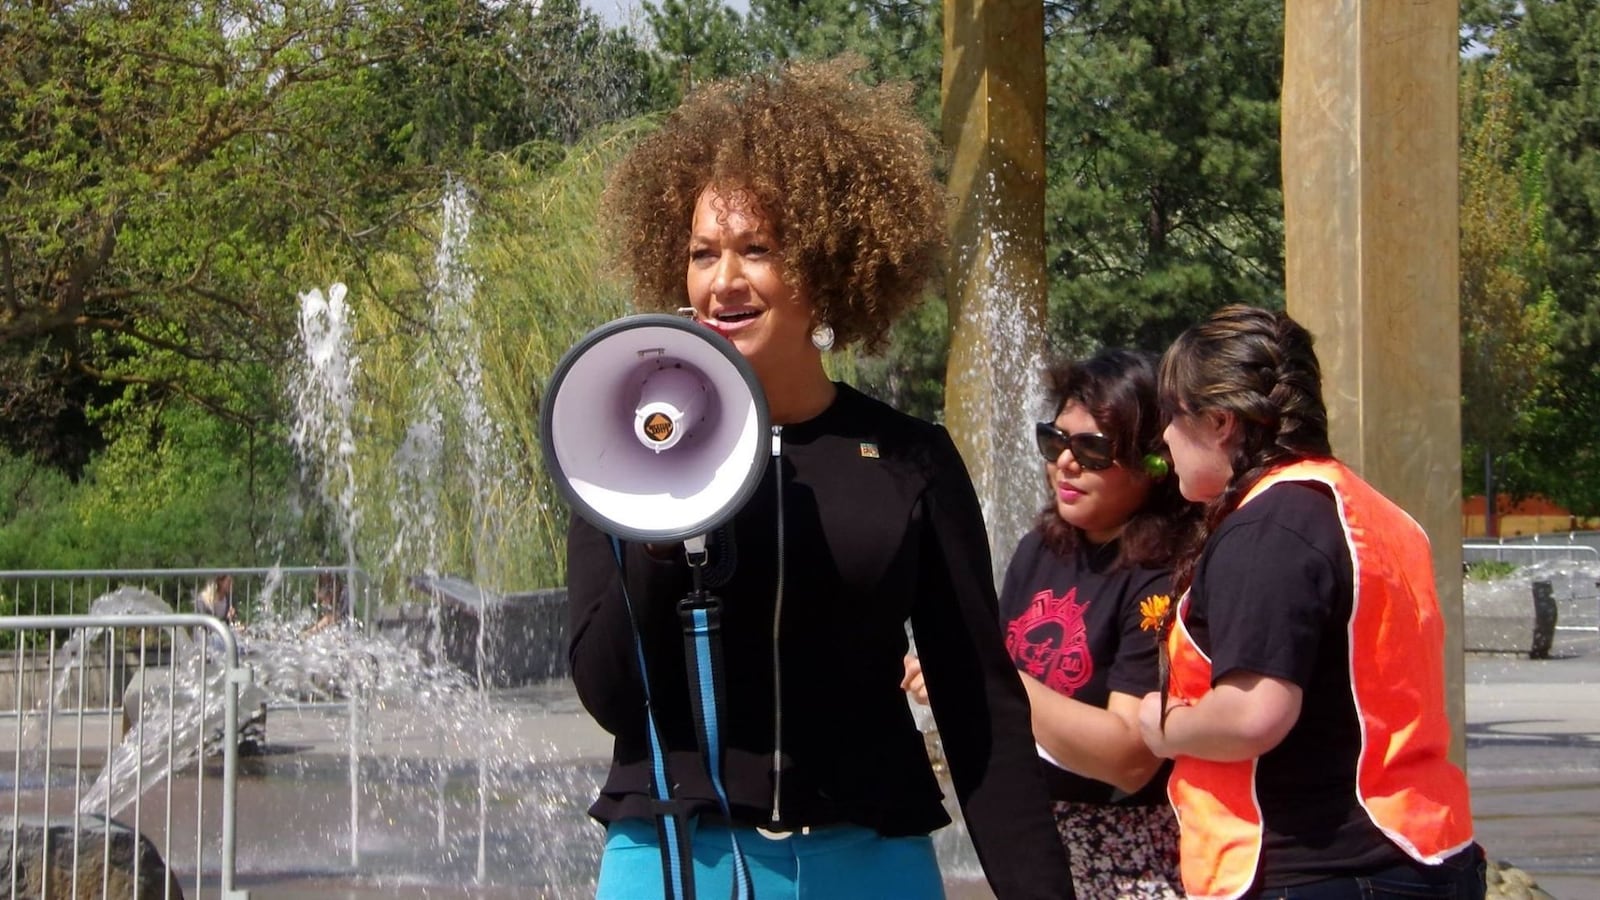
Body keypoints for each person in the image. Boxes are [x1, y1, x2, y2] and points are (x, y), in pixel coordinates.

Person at [565, 57, 1075, 900]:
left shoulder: (908, 457)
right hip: (670, 860)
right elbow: (612, 695)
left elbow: (979, 704)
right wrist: (659, 534)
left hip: (868, 858)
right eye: (702, 253)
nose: (723, 280)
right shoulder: (618, 457)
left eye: (758, 249)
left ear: (828, 263)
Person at [1136, 305, 1485, 899]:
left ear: (1222, 421)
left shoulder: (1268, 526)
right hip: (1423, 849)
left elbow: (1255, 714)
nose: (1163, 437)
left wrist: (1163, 725)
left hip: (1315, 867)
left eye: (1171, 414)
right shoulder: (1375, 512)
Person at [903, 349, 1199, 899]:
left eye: (1091, 449)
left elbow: (1128, 758)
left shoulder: (1162, 575)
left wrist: (986, 678)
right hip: (1033, 832)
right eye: (1054, 441)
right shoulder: (1042, 548)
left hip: (1131, 855)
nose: (1065, 462)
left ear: (1150, 463)